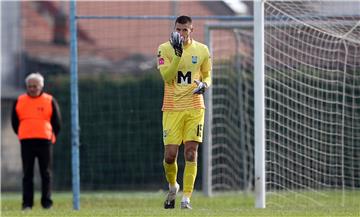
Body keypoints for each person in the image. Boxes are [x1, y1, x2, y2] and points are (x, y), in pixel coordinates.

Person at [157, 15, 212, 209]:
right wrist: (178, 55)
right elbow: (167, 76)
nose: (181, 33)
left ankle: (186, 198)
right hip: (172, 108)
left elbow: (207, 74)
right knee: (170, 156)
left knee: (191, 152)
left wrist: (205, 84)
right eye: (178, 30)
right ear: (174, 29)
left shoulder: (202, 50)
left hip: (195, 106)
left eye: (185, 30)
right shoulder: (164, 49)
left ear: (191, 30)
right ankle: (173, 187)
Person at [11, 72, 61, 210]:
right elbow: (14, 122)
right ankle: (27, 204)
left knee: (46, 173)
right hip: (26, 142)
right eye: (30, 86)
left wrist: (51, 136)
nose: (32, 88)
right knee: (27, 174)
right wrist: (23, 132)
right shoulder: (20, 100)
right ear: (26, 87)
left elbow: (57, 122)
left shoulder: (49, 100)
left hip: (44, 141)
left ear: (41, 86)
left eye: (35, 86)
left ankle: (47, 203)